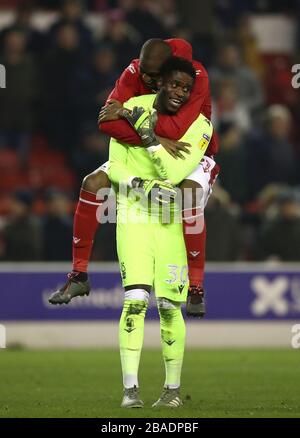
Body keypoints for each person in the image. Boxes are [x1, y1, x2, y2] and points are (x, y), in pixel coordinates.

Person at [48, 38, 219, 317]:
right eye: (145, 74)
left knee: (188, 195)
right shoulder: (134, 72)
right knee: (92, 183)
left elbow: (178, 130)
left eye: (155, 76)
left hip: (193, 149)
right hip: (149, 149)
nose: (148, 80)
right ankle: (79, 274)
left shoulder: (193, 77)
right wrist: (154, 137)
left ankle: (196, 288)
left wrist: (128, 114)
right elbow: (105, 122)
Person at [107, 56, 213, 408]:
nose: (180, 92)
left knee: (170, 307)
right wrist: (137, 181)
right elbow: (115, 167)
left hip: (170, 222)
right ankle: (130, 391)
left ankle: (171, 392)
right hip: (133, 214)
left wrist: (149, 137)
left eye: (187, 88)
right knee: (135, 301)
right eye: (174, 84)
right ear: (160, 82)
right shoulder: (132, 106)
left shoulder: (200, 127)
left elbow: (173, 172)